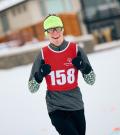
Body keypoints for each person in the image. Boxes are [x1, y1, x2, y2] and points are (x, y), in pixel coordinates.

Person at [28, 14, 96, 135]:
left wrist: (83, 67)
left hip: (76, 105)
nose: (55, 33)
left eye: (57, 28)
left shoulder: (76, 50)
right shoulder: (43, 54)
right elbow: (32, 88)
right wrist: (39, 75)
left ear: (62, 29)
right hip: (56, 108)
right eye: (50, 30)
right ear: (46, 33)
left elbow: (91, 80)